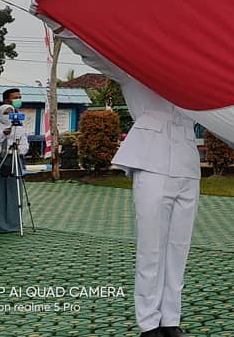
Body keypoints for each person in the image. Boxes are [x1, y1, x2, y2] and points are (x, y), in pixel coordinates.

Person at [43, 22, 199, 337]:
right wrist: (59, 24)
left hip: (186, 162)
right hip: (151, 159)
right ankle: (148, 323)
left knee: (179, 247)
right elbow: (95, 53)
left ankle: (171, 319)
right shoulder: (134, 67)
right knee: (151, 247)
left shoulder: (195, 71)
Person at [0, 101, 29, 233]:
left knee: (12, 192)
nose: (9, 116)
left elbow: (24, 145)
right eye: (6, 113)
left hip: (13, 160)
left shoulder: (19, 128)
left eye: (11, 113)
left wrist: (17, 151)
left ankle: (12, 223)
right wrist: (2, 134)